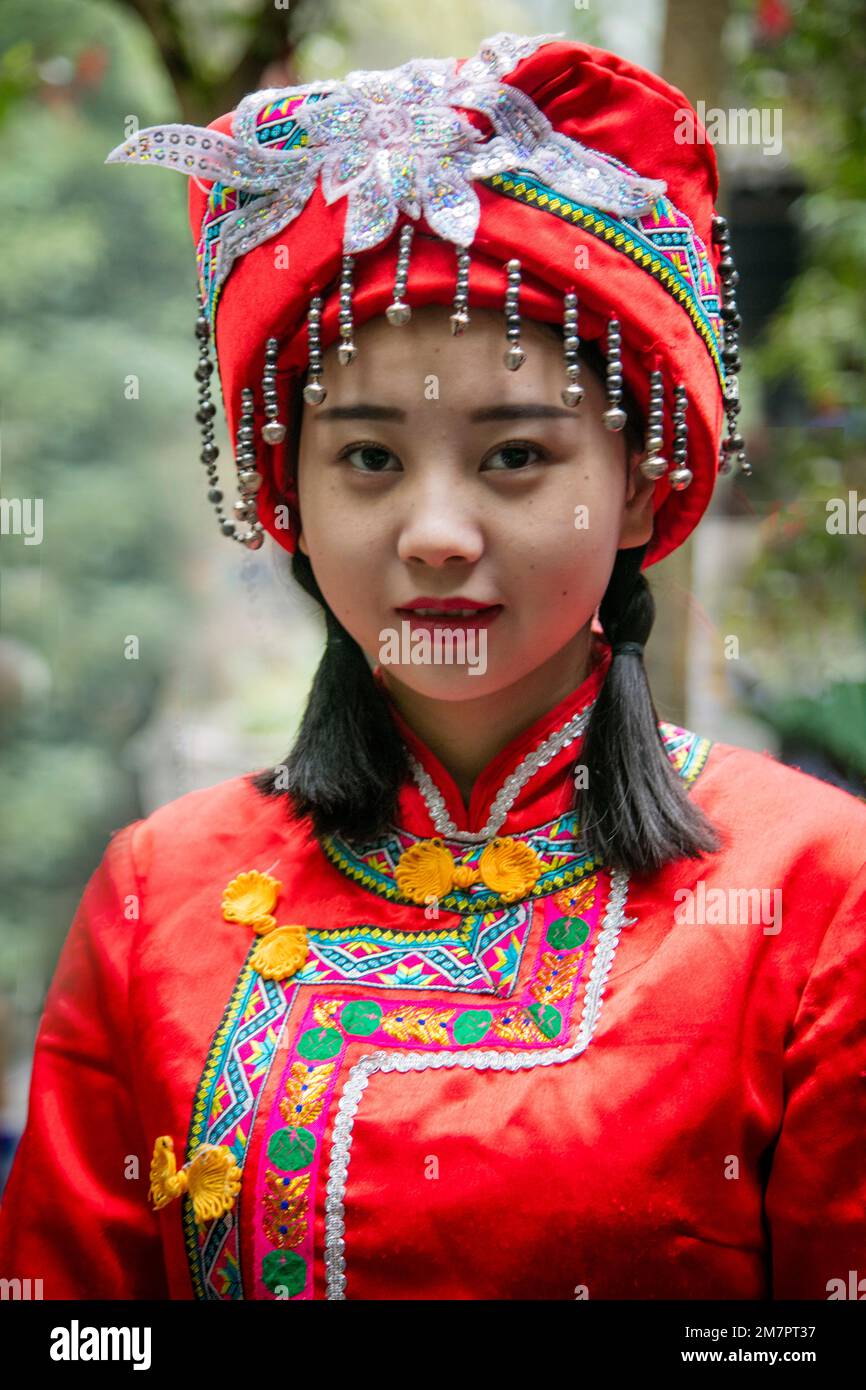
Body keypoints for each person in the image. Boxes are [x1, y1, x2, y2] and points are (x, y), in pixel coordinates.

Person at [1, 30, 864, 1302]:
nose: (436, 533)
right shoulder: (157, 894)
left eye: (514, 456)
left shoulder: (813, 893)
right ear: (287, 496)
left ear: (637, 485)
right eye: (368, 459)